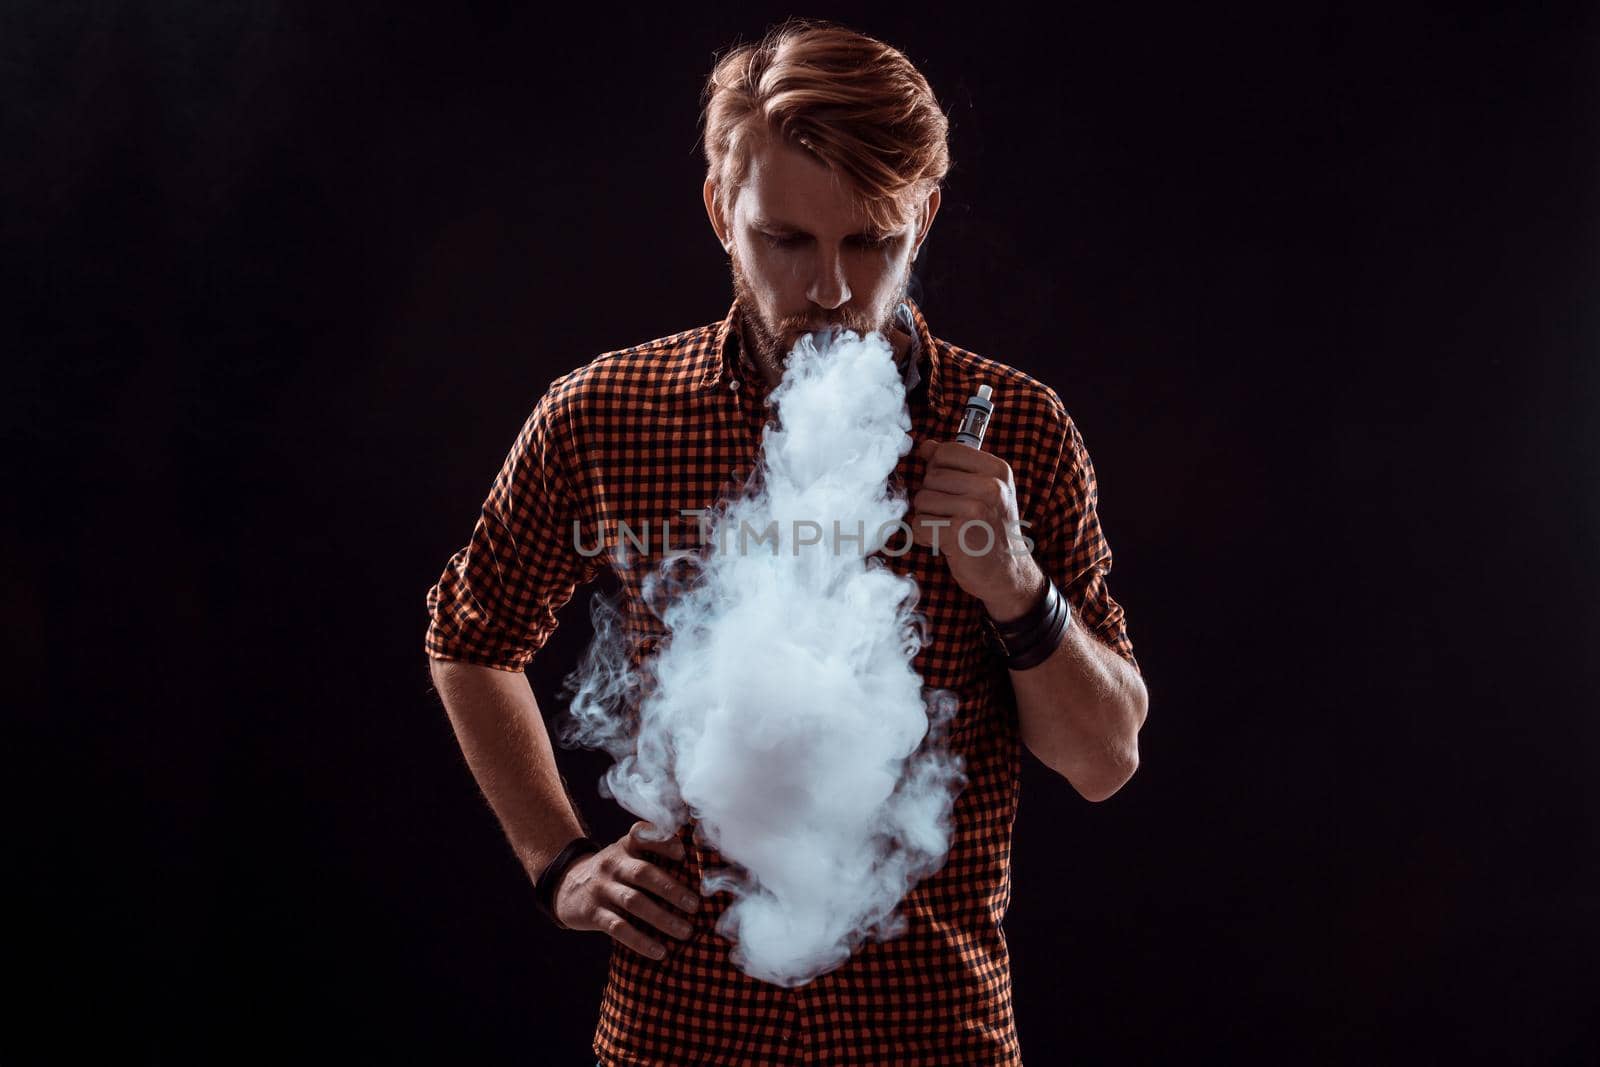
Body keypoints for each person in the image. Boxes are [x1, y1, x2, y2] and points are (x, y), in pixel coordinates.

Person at [425, 19, 1148, 1066]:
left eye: (871, 242)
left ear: (924, 218)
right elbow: (469, 634)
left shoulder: (1017, 429)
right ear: (722, 210)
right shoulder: (604, 414)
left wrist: (1015, 584)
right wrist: (558, 861)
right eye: (786, 239)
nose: (831, 291)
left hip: (929, 1039)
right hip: (680, 1036)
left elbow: (1104, 758)